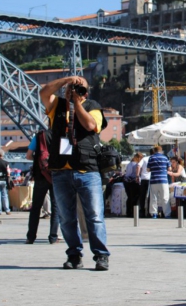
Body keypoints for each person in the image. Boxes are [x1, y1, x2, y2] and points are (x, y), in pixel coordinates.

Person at [40, 75, 110, 271]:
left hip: (87, 169)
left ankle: (101, 256)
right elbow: (43, 92)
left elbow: (90, 125)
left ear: (86, 93)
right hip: (61, 169)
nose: (77, 91)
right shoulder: (57, 105)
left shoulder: (92, 106)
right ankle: (74, 255)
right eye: (74, 89)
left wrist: (77, 104)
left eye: (81, 89)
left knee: (95, 215)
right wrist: (66, 81)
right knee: (66, 216)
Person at [25, 129, 60, 245]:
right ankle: (53, 237)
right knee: (56, 207)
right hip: (56, 175)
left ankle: (31, 237)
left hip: (41, 174)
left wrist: (38, 159)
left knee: (36, 207)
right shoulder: (62, 134)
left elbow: (28, 155)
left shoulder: (40, 136)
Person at [147, 145, 171, 219]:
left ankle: (154, 214)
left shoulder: (151, 158)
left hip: (154, 180)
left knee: (153, 197)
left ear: (154, 150)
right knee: (165, 197)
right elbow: (169, 169)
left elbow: (148, 169)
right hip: (163, 180)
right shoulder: (165, 158)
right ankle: (167, 214)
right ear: (161, 150)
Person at [124, 152, 143, 217]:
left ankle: (129, 212)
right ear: (138, 158)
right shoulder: (136, 165)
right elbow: (136, 174)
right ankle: (133, 212)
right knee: (135, 197)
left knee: (129, 197)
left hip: (127, 182)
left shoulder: (129, 164)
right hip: (133, 182)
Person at [137, 149, 154, 217]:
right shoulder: (154, 159)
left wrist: (137, 176)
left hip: (143, 179)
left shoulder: (144, 158)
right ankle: (150, 212)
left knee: (142, 196)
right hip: (151, 179)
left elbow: (138, 166)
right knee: (150, 196)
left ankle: (142, 212)